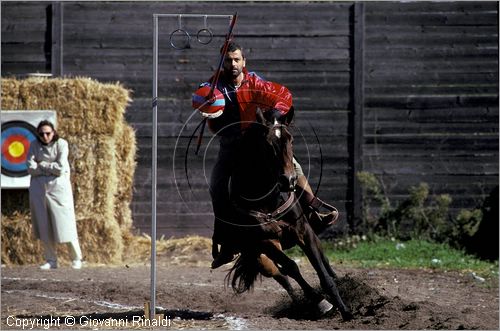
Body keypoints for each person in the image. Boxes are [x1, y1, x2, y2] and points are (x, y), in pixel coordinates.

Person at [197, 42, 338, 269]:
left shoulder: (255, 82)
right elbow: (201, 94)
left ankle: (313, 211)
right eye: (228, 60)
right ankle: (225, 242)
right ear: (222, 64)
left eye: (236, 60)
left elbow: (284, 95)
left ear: (244, 62)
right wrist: (205, 102)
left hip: (257, 143)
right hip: (231, 147)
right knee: (217, 185)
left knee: (293, 166)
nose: (232, 64)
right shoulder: (215, 85)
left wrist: (277, 113)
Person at [27, 120, 83, 270]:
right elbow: (30, 167)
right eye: (41, 134)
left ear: (54, 132)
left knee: (65, 223)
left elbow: (60, 168)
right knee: (44, 224)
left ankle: (76, 258)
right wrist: (48, 168)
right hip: (39, 189)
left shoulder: (61, 144)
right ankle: (51, 260)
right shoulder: (34, 145)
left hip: (58, 189)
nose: (45, 136)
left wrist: (42, 165)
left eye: (48, 133)